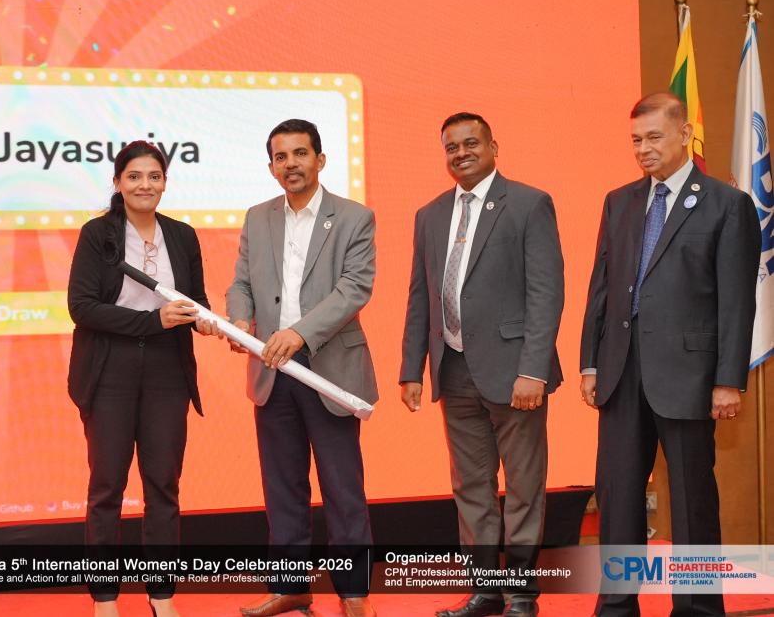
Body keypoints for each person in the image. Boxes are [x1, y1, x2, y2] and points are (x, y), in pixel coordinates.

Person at [580, 92, 761, 617]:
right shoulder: (619, 201)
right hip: (620, 372)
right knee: (618, 498)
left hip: (690, 375)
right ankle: (617, 606)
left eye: (654, 137)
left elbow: (737, 301)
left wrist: (728, 380)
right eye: (636, 139)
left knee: (691, 500)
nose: (643, 148)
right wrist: (591, 361)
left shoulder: (726, 204)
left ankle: (697, 608)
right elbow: (602, 287)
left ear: (685, 134)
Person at [400, 113, 564, 617]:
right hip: (453, 369)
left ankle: (522, 595)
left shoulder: (529, 203)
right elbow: (421, 296)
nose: (461, 153)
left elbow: (546, 293)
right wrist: (411, 368)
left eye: (471, 143)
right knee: (471, 487)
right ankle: (486, 591)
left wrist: (534, 370)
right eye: (451, 147)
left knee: (523, 487)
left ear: (495, 146)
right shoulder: (430, 214)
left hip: (516, 373)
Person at [219, 118, 378, 617]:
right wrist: (239, 319)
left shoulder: (353, 217)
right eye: (281, 157)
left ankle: (354, 593)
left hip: (329, 369)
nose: (291, 164)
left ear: (320, 159)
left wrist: (300, 333)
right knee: (282, 486)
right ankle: (291, 588)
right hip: (271, 370)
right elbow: (241, 282)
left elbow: (354, 288)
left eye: (300, 153)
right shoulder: (257, 217)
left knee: (342, 488)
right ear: (271, 166)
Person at [67, 140, 213, 617]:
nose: (144, 185)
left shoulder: (183, 235)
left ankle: (162, 596)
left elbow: (196, 300)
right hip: (109, 369)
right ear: (117, 183)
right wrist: (154, 321)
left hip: (168, 370)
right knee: (107, 488)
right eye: (134, 176)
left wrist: (205, 319)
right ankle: (105, 599)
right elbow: (82, 307)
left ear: (165, 182)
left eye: (154, 176)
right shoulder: (97, 234)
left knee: (164, 486)